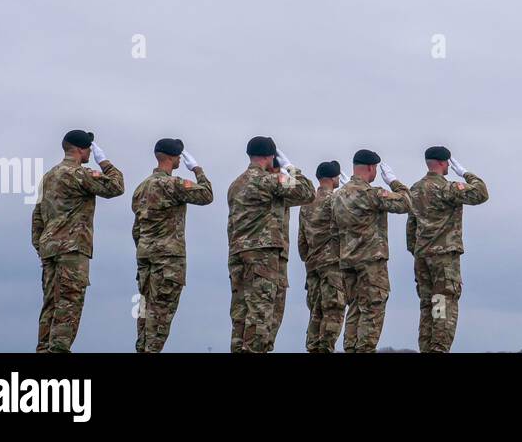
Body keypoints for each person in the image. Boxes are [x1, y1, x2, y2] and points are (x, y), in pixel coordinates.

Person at [31, 129, 125, 352]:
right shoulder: (79, 174)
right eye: (89, 150)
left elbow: (36, 216)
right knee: (69, 304)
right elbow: (116, 187)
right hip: (72, 249)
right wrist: (105, 162)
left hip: (50, 250)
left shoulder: (49, 176)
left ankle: (44, 350)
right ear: (81, 149)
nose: (90, 154)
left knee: (51, 304)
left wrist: (42, 246)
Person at [226, 136, 314, 352]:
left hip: (239, 257)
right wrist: (290, 168)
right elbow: (307, 192)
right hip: (263, 259)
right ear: (270, 156)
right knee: (262, 322)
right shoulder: (267, 182)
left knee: (241, 320)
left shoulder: (235, 185)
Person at [131, 138, 213, 352]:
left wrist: (145, 249)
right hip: (167, 261)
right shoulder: (173, 184)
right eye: (178, 156)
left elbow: (136, 229)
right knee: (161, 317)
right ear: (172, 157)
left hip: (145, 259)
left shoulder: (141, 187)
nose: (179, 160)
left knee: (145, 313)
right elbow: (206, 195)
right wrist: (197, 169)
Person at [405, 146, 488, 353]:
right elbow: (481, 193)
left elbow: (411, 226)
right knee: (442, 304)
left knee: (427, 306)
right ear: (444, 163)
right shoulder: (447, 188)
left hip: (422, 257)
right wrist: (466, 173)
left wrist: (416, 250)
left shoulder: (415, 189)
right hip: (443, 259)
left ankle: (426, 348)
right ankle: (438, 349)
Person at [332, 150, 411, 352]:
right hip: (371, 264)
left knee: (355, 310)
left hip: (347, 263)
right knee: (372, 311)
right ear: (371, 168)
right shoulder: (372, 194)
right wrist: (394, 182)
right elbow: (406, 202)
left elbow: (333, 231)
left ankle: (350, 349)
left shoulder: (338, 195)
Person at [297, 160, 345, 352]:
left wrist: (309, 258)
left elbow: (302, 241)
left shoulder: (306, 204)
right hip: (332, 265)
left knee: (316, 312)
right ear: (334, 178)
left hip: (312, 265)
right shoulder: (334, 201)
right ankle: (325, 348)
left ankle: (313, 347)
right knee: (333, 311)